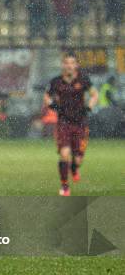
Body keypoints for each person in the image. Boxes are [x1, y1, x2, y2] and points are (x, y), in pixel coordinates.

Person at [44, 52, 98, 196]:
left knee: (78, 158)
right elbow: (47, 96)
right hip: (63, 122)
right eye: (66, 63)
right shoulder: (56, 81)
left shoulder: (83, 79)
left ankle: (74, 168)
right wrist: (52, 105)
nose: (69, 66)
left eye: (72, 63)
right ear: (63, 65)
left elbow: (94, 94)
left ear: (76, 65)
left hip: (80, 122)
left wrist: (90, 106)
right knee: (64, 154)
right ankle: (64, 186)